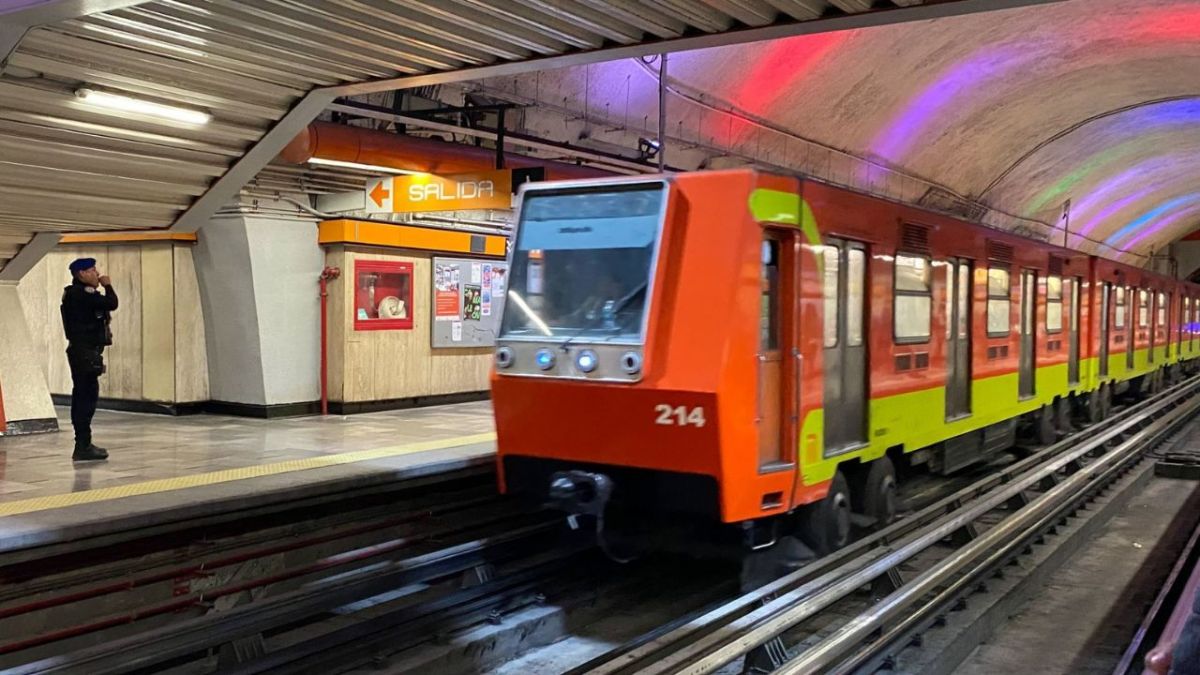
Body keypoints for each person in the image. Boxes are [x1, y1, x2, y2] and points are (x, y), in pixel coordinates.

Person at [60, 258, 117, 462]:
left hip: (84, 351)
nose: (97, 274)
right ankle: (82, 445)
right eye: (92, 270)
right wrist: (108, 284)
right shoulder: (80, 294)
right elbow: (112, 303)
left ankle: (83, 443)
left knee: (84, 396)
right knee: (86, 398)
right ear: (81, 274)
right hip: (84, 352)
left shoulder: (78, 294)